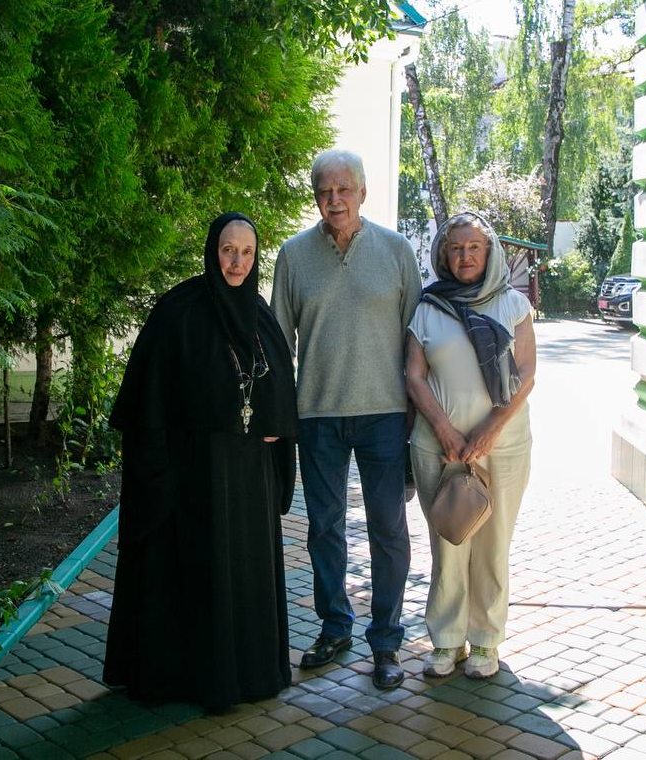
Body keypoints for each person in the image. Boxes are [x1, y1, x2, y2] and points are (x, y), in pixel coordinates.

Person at [103, 212, 298, 711]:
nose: (237, 262)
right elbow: (151, 398)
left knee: (243, 572)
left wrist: (275, 422)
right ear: (213, 250)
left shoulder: (259, 315)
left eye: (247, 252)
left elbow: (278, 386)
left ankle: (249, 673)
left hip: (249, 477)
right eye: (228, 250)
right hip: (197, 476)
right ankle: (193, 679)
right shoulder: (180, 311)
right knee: (199, 570)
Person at [272, 149, 422, 690]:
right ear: (315, 196)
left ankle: (386, 640)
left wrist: (420, 417)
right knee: (324, 528)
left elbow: (417, 341)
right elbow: (278, 344)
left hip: (385, 415)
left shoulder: (397, 251)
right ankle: (335, 626)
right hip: (317, 415)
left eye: (343, 189)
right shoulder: (293, 256)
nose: (334, 200)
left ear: (363, 192)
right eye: (324, 191)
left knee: (388, 529)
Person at [406, 212, 536, 680]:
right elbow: (414, 376)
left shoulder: (513, 305)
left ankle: (485, 640)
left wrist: (489, 432)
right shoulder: (428, 307)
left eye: (474, 247)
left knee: (493, 543)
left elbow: (526, 375)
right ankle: (446, 640)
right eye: (456, 248)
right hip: (438, 448)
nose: (465, 256)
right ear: (444, 254)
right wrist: (444, 429)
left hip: (503, 446)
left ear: (489, 252)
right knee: (448, 543)